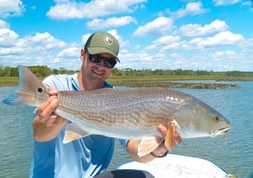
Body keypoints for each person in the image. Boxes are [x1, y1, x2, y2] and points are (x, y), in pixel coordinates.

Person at [29, 32, 181, 178]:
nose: (101, 66)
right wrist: (57, 118)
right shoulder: (55, 86)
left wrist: (158, 149)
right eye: (96, 58)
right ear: (82, 54)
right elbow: (39, 134)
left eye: (109, 62)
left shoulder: (116, 98)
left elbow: (134, 149)